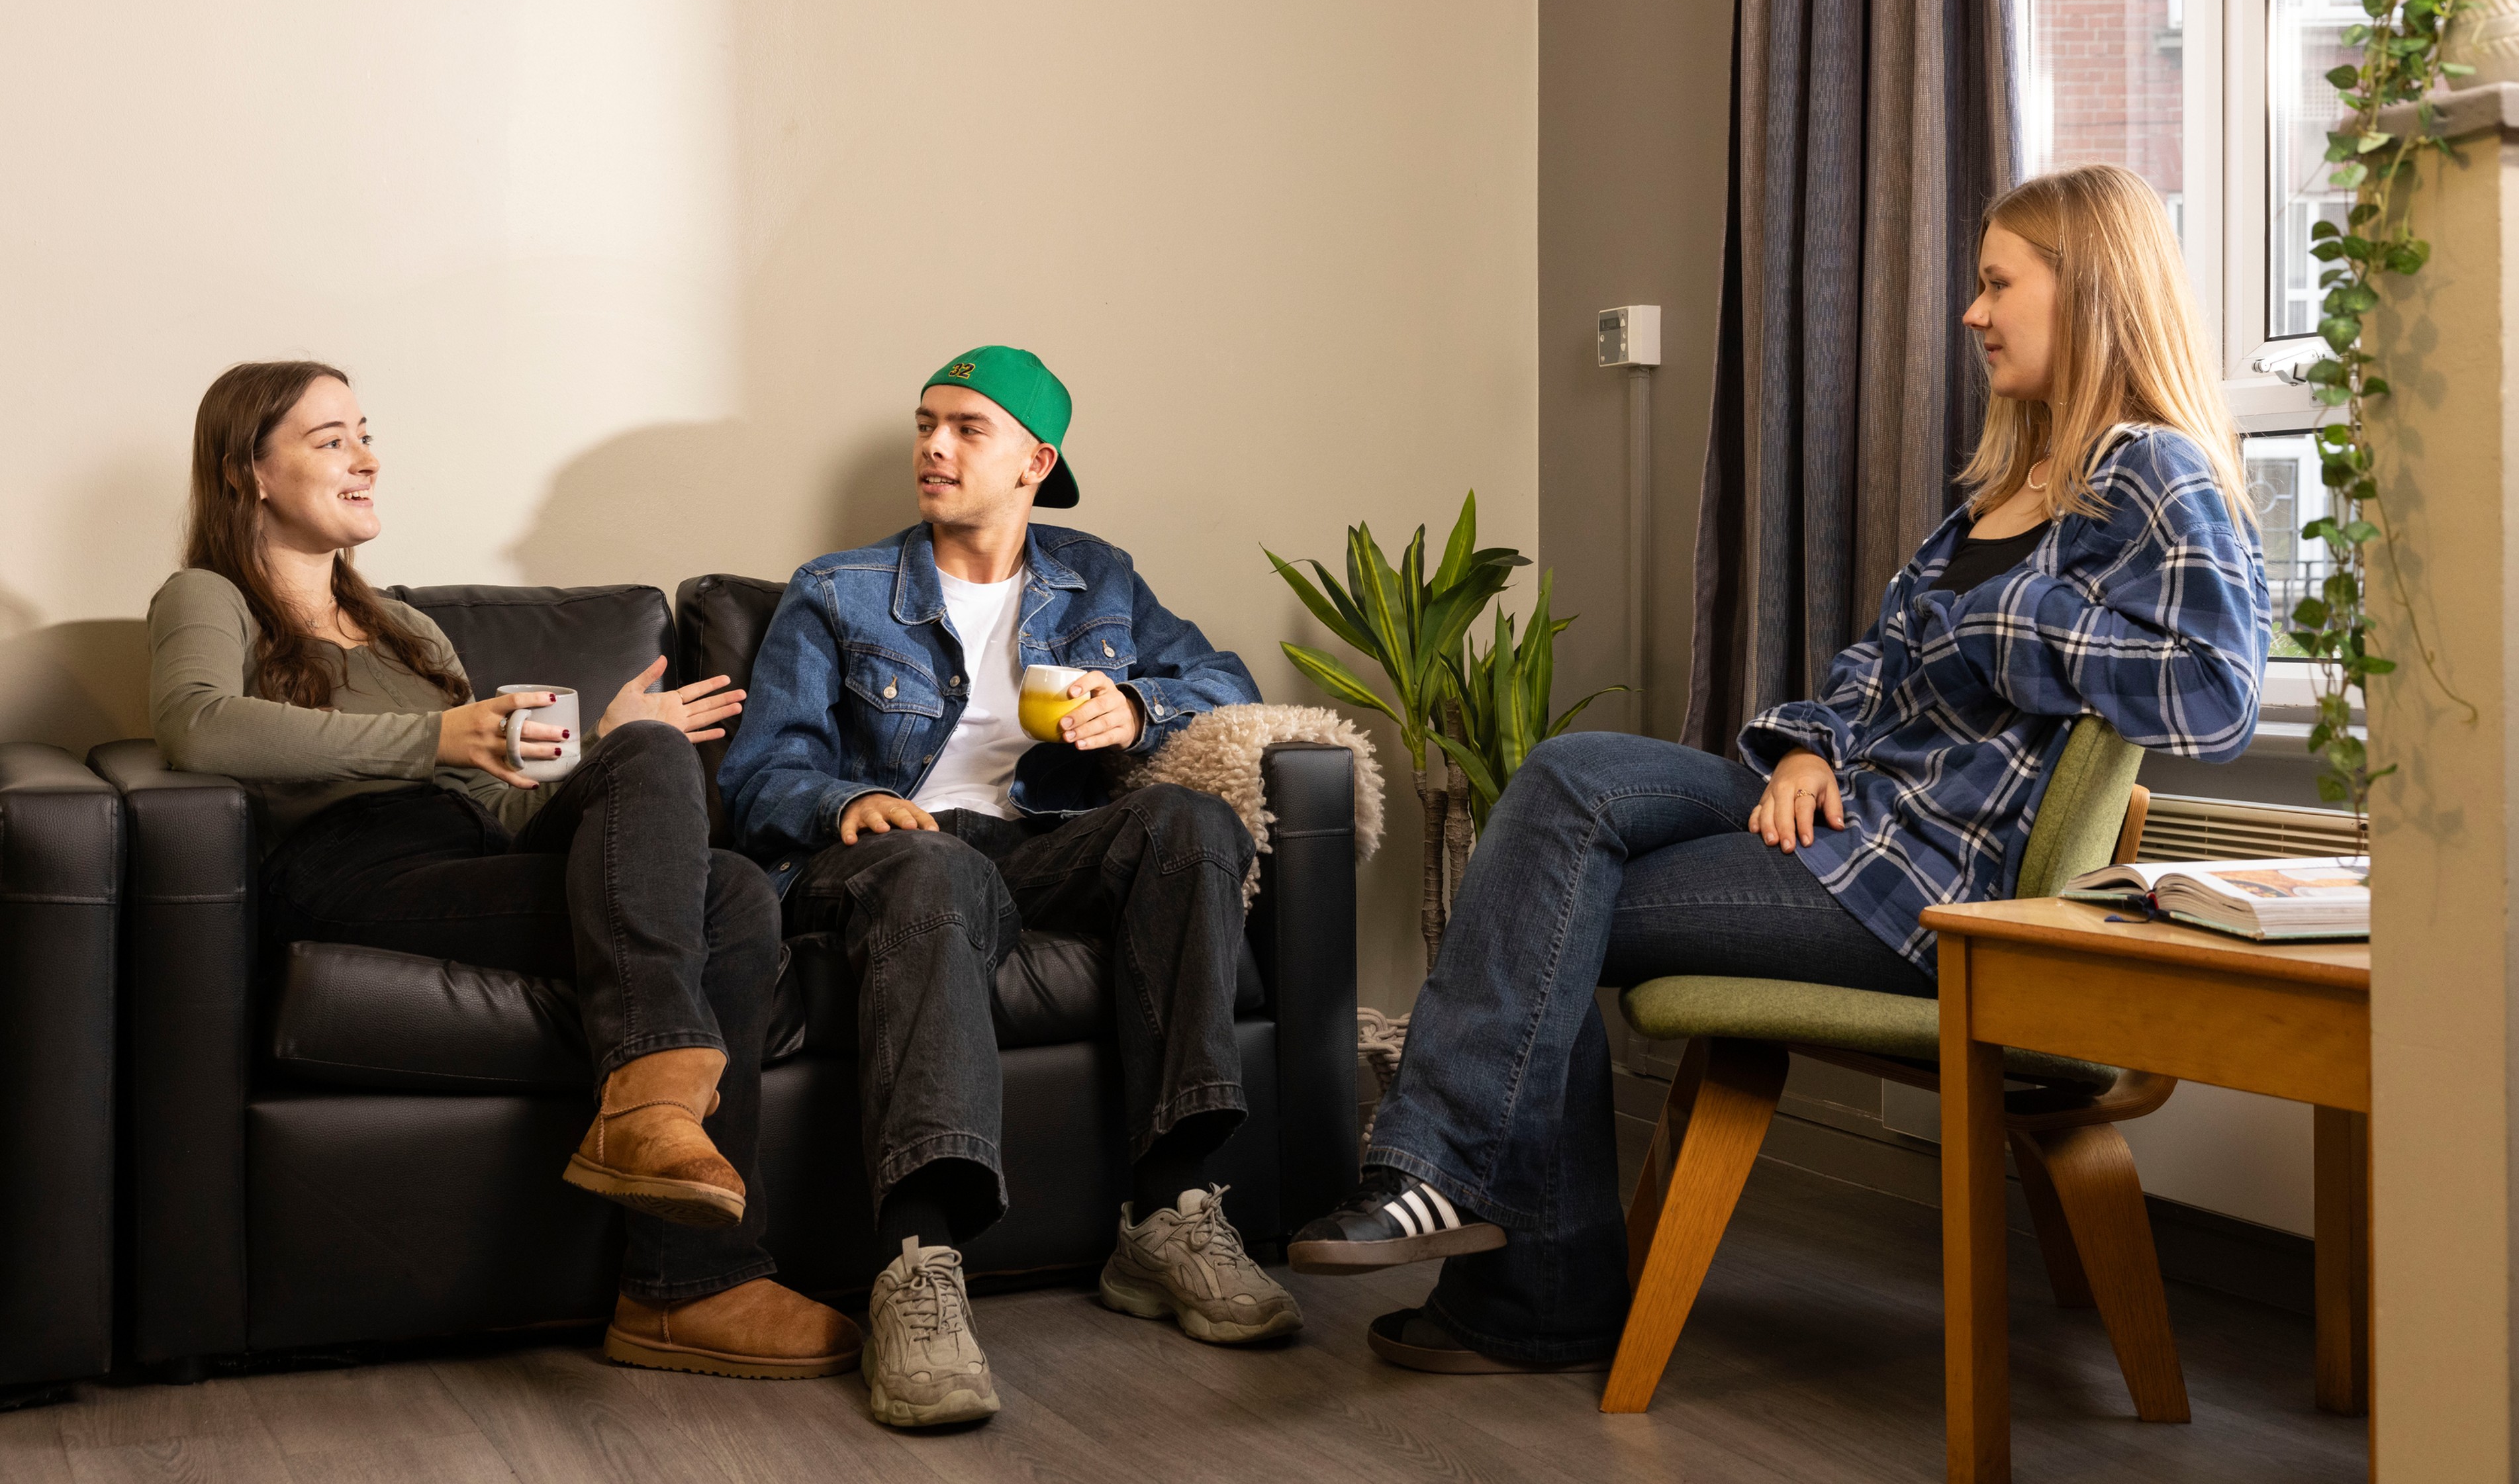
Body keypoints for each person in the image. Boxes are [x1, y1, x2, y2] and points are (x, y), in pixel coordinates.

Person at [1284, 163, 2273, 1372]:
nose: (1971, 312)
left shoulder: (2148, 468)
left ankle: (1502, 1260)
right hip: (1848, 821)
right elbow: (1873, 665)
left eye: (1995, 283)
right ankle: (1487, 1243)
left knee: (1542, 910)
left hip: (1915, 884)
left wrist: (1996, 625)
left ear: (2092, 291)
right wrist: (1810, 742)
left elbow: (2216, 687)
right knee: (1568, 775)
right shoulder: (1996, 496)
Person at [149, 360, 859, 1381]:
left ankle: (672, 1225)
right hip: (357, 870)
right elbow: (195, 726)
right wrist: (435, 734)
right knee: (709, 869)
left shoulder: (410, 628)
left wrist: (610, 746)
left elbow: (503, 807)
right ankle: (683, 1237)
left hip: (471, 853)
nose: (367, 456)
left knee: (728, 874)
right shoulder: (209, 595)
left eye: (366, 431)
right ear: (248, 472)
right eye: (331, 438)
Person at [718, 344, 1295, 1430]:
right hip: (889, 855)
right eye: (925, 424)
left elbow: (1227, 681)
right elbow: (757, 778)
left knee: (1191, 820)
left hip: (1038, 843)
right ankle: (918, 1266)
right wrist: (847, 802)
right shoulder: (837, 593)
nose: (933, 447)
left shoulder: (1098, 577)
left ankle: (1168, 1212)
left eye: (966, 428)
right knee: (934, 866)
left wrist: (1135, 706)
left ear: (1036, 459)